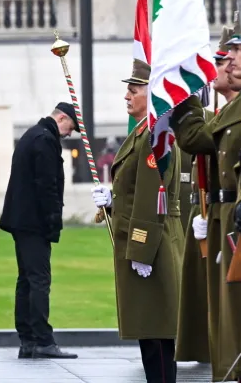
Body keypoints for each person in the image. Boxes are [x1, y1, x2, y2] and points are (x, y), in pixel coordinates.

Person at [92, 59, 184, 383]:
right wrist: (112, 200)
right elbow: (132, 192)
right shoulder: (145, 132)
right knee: (150, 334)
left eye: (134, 89)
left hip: (152, 247)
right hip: (145, 245)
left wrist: (141, 249)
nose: (127, 96)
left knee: (157, 335)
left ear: (152, 92)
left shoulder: (157, 133)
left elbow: (152, 194)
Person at [172, 23, 241, 382]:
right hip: (220, 214)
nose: (223, 64)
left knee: (231, 308)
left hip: (232, 216)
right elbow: (199, 139)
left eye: (230, 56)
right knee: (222, 310)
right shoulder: (228, 112)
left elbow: (200, 140)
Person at [0, 102, 79, 360]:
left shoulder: (32, 135)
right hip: (34, 222)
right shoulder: (45, 140)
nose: (69, 134)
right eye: (70, 127)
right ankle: (43, 339)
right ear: (62, 117)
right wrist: (53, 220)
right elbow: (47, 186)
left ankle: (28, 339)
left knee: (26, 280)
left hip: (21, 220)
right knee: (39, 280)